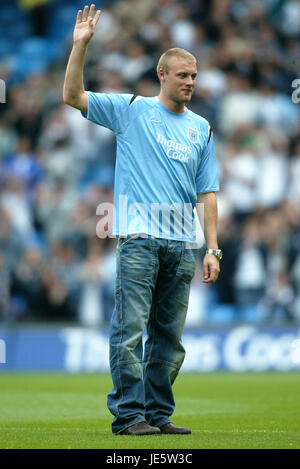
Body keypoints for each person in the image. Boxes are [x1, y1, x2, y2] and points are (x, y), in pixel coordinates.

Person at [63, 4, 221, 436]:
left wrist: (212, 248)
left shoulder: (202, 129)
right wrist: (81, 48)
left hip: (182, 246)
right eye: (183, 75)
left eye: (194, 76)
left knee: (169, 340)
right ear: (162, 75)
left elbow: (208, 193)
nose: (190, 82)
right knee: (130, 332)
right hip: (138, 239)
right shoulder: (131, 109)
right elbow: (73, 97)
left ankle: (157, 414)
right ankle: (128, 415)